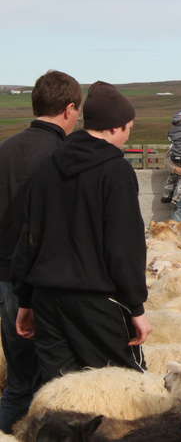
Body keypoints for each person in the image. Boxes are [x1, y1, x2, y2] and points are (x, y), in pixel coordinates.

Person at [12, 81, 151, 385]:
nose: (129, 136)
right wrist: (136, 307)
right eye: (128, 127)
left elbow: (30, 237)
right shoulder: (116, 172)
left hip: (48, 299)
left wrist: (26, 299)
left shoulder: (48, 166)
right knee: (117, 390)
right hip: (97, 301)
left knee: (59, 392)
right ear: (115, 127)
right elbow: (124, 246)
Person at [0, 70, 81, 432]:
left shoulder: (6, 150)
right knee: (55, 384)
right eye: (76, 111)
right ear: (68, 109)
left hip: (5, 279)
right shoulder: (66, 156)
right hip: (49, 286)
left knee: (17, 382)